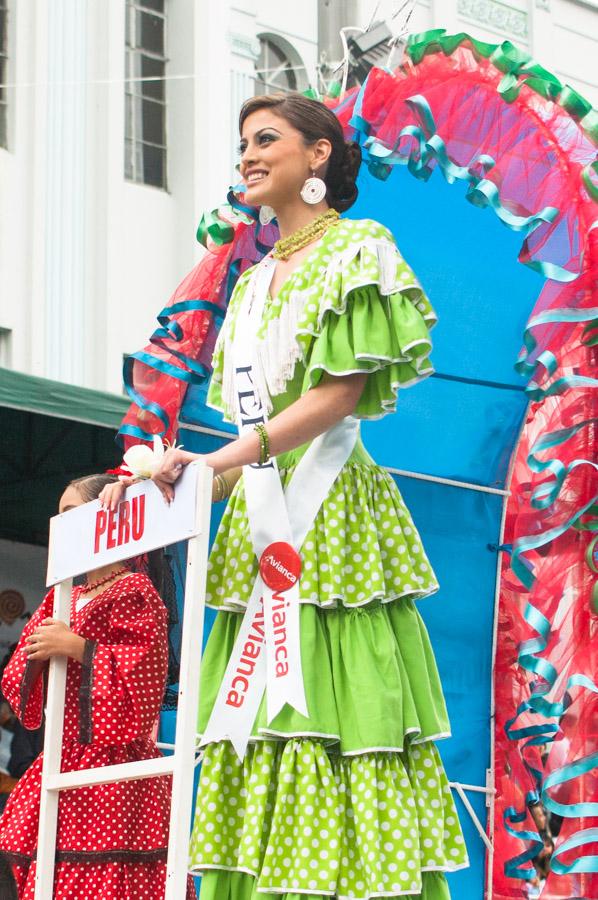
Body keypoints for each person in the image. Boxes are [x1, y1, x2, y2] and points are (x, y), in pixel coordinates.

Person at [103, 91, 469, 900]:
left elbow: (337, 397)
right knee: (257, 725)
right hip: (255, 520)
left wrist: (221, 458)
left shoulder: (359, 248)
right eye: (242, 144)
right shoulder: (251, 284)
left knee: (341, 719)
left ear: (320, 156)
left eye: (267, 139)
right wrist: (184, 470)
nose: (248, 155)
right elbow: (249, 429)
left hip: (330, 517)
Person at [0, 474, 196, 900]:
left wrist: (78, 648)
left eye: (72, 514)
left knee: (108, 876)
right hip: (65, 754)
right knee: (45, 860)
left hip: (114, 768)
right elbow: (19, 670)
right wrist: (37, 653)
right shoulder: (64, 594)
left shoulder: (134, 590)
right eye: (60, 514)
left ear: (109, 518)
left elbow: (143, 681)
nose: (61, 523)